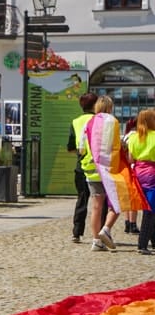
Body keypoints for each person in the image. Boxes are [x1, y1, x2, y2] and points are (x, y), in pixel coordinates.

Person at [81, 96, 121, 252]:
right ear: (109, 107)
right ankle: (106, 228)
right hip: (108, 169)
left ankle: (96, 241)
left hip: (91, 169)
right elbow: (116, 146)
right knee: (116, 203)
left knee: (96, 206)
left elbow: (81, 147)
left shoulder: (89, 122)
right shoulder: (112, 121)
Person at [67, 93, 99, 243]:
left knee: (82, 198)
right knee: (100, 201)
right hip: (97, 166)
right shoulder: (99, 120)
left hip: (81, 165)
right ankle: (100, 232)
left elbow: (71, 147)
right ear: (95, 105)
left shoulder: (75, 122)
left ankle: (76, 232)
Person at [125, 109, 155, 254]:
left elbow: (130, 159)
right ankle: (142, 244)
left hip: (138, 173)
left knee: (148, 207)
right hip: (152, 173)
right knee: (150, 210)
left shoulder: (134, 137)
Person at [123, 117, 140, 235]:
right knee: (134, 198)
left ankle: (127, 222)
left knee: (127, 198)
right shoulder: (136, 136)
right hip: (134, 168)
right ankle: (133, 224)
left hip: (124, 170)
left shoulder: (125, 137)